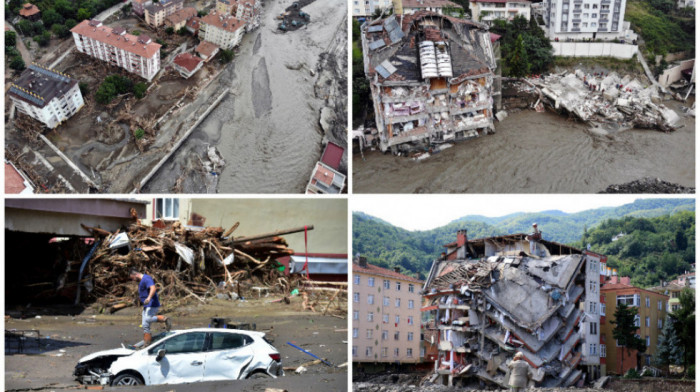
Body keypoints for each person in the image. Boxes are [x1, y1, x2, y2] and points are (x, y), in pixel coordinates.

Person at [129, 269, 171, 345]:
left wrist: (148, 298)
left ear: (136, 274)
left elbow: (153, 288)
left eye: (133, 278)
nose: (133, 280)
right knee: (145, 325)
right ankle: (147, 343)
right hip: (147, 305)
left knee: (148, 319)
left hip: (152, 304)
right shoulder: (142, 281)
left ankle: (164, 318)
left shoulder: (146, 278)